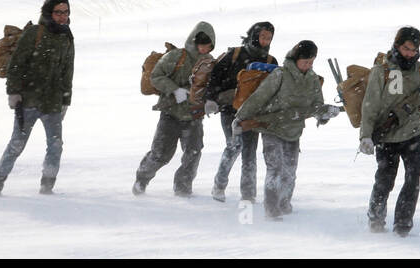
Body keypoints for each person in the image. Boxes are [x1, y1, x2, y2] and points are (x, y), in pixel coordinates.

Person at [232, 39, 341, 220]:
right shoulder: (280, 75)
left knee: (290, 171)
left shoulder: (313, 79)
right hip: (271, 126)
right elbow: (258, 98)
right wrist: (241, 118)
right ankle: (271, 210)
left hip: (294, 129)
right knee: (274, 169)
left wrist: (326, 114)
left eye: (311, 62)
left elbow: (316, 106)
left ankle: (284, 203)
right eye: (305, 61)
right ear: (296, 59)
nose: (308, 65)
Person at [0, 0, 75, 197]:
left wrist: (65, 101)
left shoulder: (67, 37)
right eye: (58, 12)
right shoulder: (35, 33)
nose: (62, 16)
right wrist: (13, 93)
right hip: (28, 101)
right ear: (49, 12)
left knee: (55, 146)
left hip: (52, 102)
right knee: (17, 144)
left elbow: (67, 71)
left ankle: (47, 187)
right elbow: (16, 64)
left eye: (66, 12)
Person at [360, 26, 420, 237]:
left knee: (413, 178)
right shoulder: (382, 71)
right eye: (406, 49)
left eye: (414, 50)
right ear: (397, 45)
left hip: (413, 133)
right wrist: (365, 136)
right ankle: (375, 220)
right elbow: (370, 105)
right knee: (385, 180)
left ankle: (403, 225)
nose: (410, 54)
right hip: (387, 136)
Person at [133, 21, 218, 196]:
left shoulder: (210, 62)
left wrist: (210, 101)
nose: (204, 49)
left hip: (194, 116)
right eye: (201, 44)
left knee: (193, 154)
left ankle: (183, 188)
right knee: (160, 155)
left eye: (208, 46)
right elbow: (156, 76)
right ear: (194, 41)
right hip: (170, 114)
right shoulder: (177, 56)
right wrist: (174, 90)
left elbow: (212, 86)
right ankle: (142, 179)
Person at [208, 21, 278, 202]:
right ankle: (219, 186)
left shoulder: (271, 61)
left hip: (253, 113)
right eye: (263, 37)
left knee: (249, 153)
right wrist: (212, 99)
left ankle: (248, 195)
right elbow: (214, 77)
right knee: (234, 146)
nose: (265, 41)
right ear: (255, 36)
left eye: (269, 38)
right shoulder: (234, 54)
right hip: (230, 110)